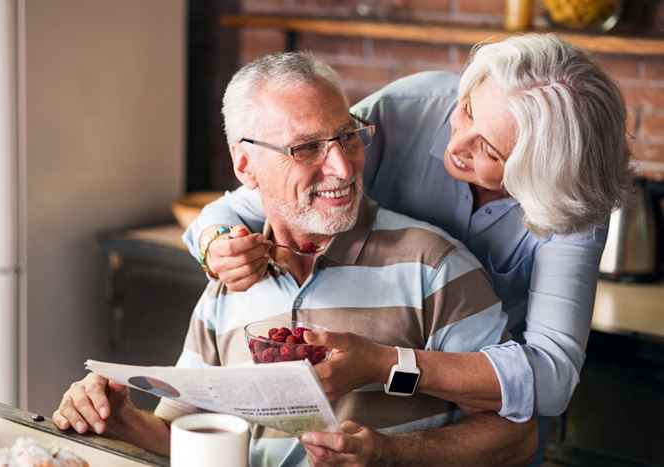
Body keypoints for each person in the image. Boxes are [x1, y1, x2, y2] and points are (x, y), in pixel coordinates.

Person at [52, 52, 537, 466]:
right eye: (306, 148)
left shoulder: (434, 266)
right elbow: (188, 442)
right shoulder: (228, 280)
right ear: (245, 165)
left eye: (347, 136)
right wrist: (121, 420)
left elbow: (517, 435)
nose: (343, 167)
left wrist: (392, 453)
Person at [190, 33, 631, 461]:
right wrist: (215, 244)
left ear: (541, 173)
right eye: (467, 112)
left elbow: (551, 381)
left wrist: (385, 365)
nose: (456, 144)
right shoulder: (407, 110)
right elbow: (268, 187)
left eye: (490, 150)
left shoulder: (572, 200)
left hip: (492, 403)